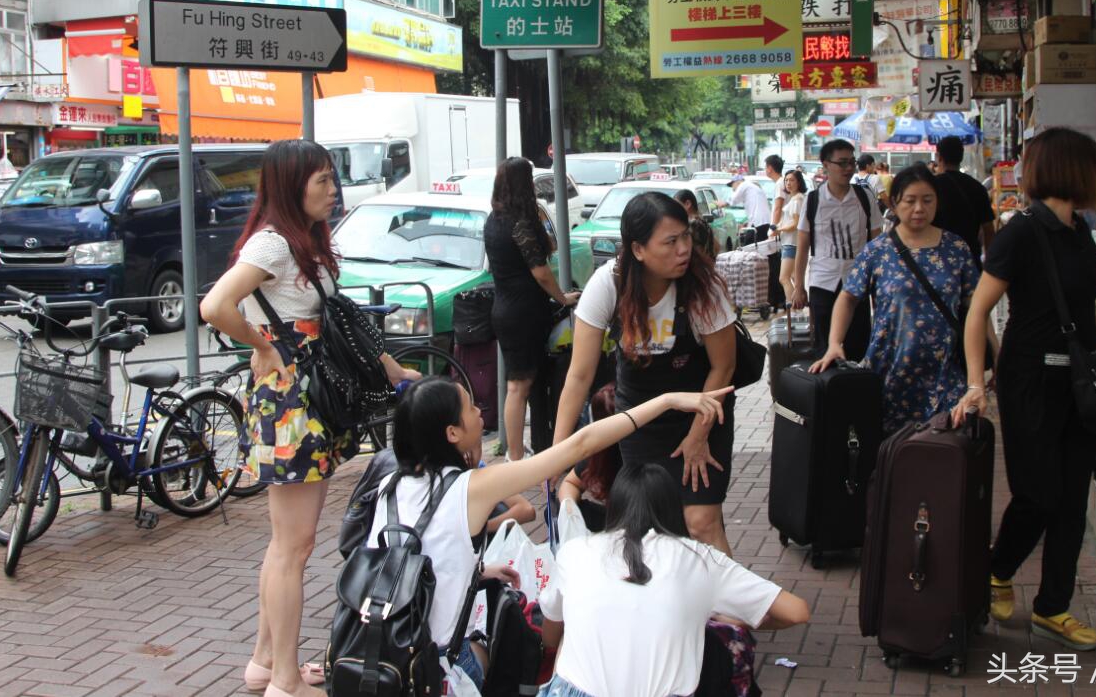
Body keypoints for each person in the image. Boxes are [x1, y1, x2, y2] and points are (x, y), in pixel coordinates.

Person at [200, 140, 422, 697]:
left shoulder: (299, 244)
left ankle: (264, 662)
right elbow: (213, 306)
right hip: (291, 404)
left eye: (331, 179)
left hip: (302, 404)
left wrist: (395, 372)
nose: (332, 189)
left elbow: (341, 328)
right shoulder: (274, 245)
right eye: (321, 180)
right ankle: (283, 681)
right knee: (292, 547)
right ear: (291, 185)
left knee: (288, 545)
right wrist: (263, 344)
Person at [369, 377, 732, 689]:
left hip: (376, 655)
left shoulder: (389, 484)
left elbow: (406, 558)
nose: (480, 410)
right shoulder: (469, 488)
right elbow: (580, 445)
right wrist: (666, 401)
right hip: (434, 671)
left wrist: (477, 573)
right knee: (504, 642)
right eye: (469, 407)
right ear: (451, 433)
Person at [951, 127, 1096, 652]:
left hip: (1079, 382)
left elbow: (1086, 308)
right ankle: (997, 569)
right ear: (1072, 170)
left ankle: (1053, 608)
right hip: (1030, 381)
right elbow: (977, 312)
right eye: (1093, 164)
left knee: (1071, 502)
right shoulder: (1020, 232)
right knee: (1038, 493)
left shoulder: (1081, 230)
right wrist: (977, 383)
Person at [554, 192, 738, 555]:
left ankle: (730, 611)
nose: (684, 248)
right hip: (639, 419)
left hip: (702, 412)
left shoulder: (704, 286)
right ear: (638, 249)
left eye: (685, 236)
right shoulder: (609, 284)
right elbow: (579, 376)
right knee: (650, 524)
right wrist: (557, 456)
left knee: (701, 522)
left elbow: (724, 366)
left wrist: (698, 437)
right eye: (670, 242)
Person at [537, 463, 810, 697]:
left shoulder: (575, 551)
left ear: (614, 507)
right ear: (673, 507)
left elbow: (551, 634)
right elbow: (797, 611)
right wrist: (736, 619)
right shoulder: (701, 559)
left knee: (565, 636)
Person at [810, 164, 978, 433]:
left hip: (945, 374)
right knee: (888, 457)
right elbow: (848, 296)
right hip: (889, 373)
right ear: (895, 202)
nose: (919, 209)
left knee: (944, 454)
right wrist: (834, 343)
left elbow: (976, 310)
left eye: (927, 200)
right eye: (910, 201)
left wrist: (993, 357)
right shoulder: (878, 251)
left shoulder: (956, 248)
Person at [485, 157, 580, 462]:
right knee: (519, 386)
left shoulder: (494, 219)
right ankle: (515, 455)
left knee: (518, 384)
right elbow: (540, 270)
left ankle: (518, 449)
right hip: (524, 312)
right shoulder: (519, 222)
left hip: (504, 309)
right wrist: (562, 298)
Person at [790, 138, 878, 360]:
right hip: (822, 282)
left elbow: (877, 243)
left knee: (858, 345)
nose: (848, 169)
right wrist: (799, 286)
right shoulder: (813, 199)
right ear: (826, 164)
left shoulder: (864, 197)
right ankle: (828, 391)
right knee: (823, 347)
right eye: (842, 163)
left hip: (857, 282)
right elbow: (802, 246)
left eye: (852, 163)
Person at [557, 384, 622, 532]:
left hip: (644, 527)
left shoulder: (641, 450)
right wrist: (569, 509)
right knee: (559, 509)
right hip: (617, 524)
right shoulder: (599, 454)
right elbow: (570, 483)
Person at [932, 135, 997, 266]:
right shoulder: (978, 187)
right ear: (961, 157)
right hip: (970, 259)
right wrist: (989, 263)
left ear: (939, 157)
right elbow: (988, 229)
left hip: (937, 259)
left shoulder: (931, 187)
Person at [771, 169, 807, 302]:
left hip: (791, 243)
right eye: (786, 180)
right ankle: (798, 309)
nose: (788, 183)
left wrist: (779, 229)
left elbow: (796, 224)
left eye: (792, 180)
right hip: (792, 242)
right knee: (794, 278)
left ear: (799, 182)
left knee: (784, 278)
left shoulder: (797, 200)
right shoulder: (796, 199)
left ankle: (793, 309)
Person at [674, 188, 716, 259]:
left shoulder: (693, 223)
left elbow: (699, 252)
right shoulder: (702, 222)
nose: (675, 210)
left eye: (678, 205)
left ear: (688, 204)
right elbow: (716, 247)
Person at [729, 174, 771, 241]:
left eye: (732, 185)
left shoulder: (744, 185)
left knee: (749, 246)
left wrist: (722, 203)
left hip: (759, 224)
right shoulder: (756, 194)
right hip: (762, 223)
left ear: (738, 182)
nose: (733, 188)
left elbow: (732, 200)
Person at [763, 154, 786, 229]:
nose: (765, 170)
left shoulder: (780, 183)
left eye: (765, 167)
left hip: (779, 228)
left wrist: (773, 229)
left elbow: (778, 208)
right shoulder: (781, 182)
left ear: (769, 168)